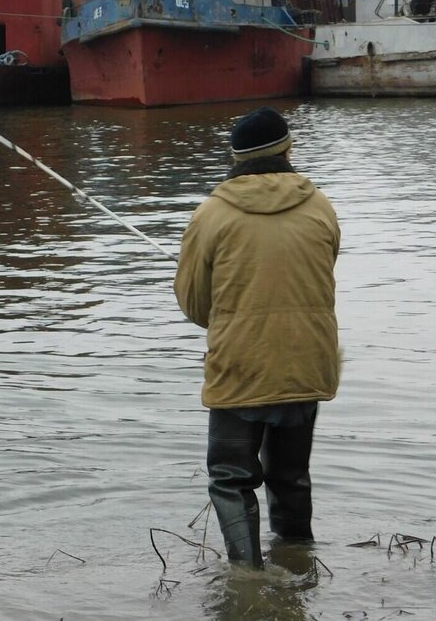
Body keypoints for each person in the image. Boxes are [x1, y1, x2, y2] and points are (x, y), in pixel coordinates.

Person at [174, 106, 341, 568]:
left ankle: (247, 581)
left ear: (234, 157)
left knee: (231, 478)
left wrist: (232, 315)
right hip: (308, 362)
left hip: (241, 368)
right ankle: (299, 564)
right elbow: (322, 275)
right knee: (290, 476)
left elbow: (194, 305)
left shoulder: (211, 214)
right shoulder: (321, 205)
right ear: (288, 149)